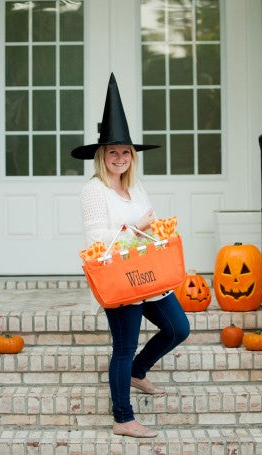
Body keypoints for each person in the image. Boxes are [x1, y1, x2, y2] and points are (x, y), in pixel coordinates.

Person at [71, 73, 190, 438]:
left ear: (132, 156)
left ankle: (139, 372)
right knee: (123, 346)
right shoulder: (94, 191)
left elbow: (147, 225)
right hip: (120, 280)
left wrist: (156, 229)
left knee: (177, 328)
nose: (119, 157)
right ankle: (123, 418)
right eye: (112, 152)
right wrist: (135, 226)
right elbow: (96, 238)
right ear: (101, 156)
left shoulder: (136, 187)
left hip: (149, 276)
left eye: (125, 152)